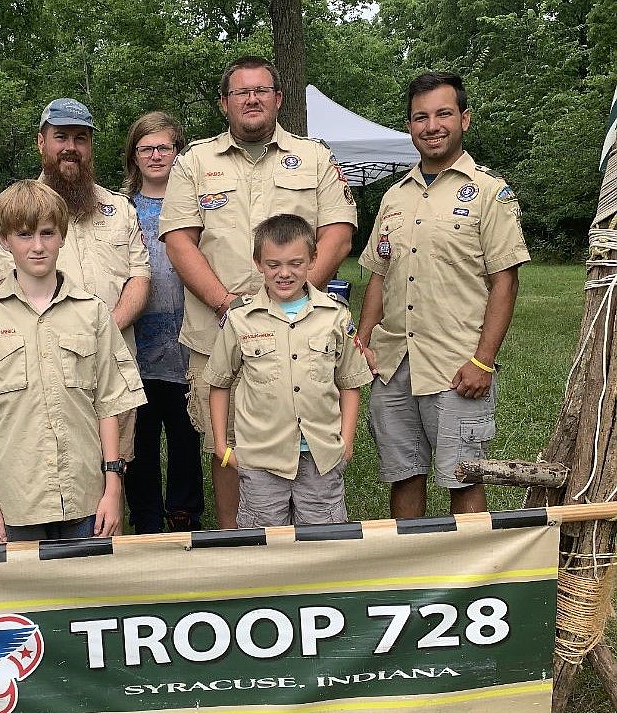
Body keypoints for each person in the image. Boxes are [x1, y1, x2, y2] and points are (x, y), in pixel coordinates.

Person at [159, 55, 358, 528]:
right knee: (225, 443)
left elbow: (339, 231)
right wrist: (227, 304)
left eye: (261, 90)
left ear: (278, 99)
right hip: (217, 330)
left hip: (302, 329)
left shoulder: (314, 158)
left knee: (305, 430)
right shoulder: (194, 163)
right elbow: (179, 240)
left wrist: (293, 295)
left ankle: (313, 542)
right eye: (241, 92)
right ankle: (238, 546)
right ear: (225, 103)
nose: (252, 99)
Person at [356, 72, 530, 519]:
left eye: (443, 114)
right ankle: (410, 579)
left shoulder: (490, 193)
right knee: (403, 475)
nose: (431, 125)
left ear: (464, 119)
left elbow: (505, 281)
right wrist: (363, 339)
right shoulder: (394, 196)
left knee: (463, 479)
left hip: (456, 365)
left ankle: (467, 587)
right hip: (393, 364)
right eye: (420, 117)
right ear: (410, 125)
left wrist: (482, 360)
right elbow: (378, 274)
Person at [0, 180, 147, 541]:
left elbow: (110, 404)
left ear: (63, 236)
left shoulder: (93, 313)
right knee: (26, 597)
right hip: (16, 503)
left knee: (87, 593)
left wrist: (113, 490)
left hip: (86, 498)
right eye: (24, 235)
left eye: (47, 233)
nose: (37, 246)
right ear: (5, 241)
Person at [0, 99, 150, 490]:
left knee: (113, 473)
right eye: (60, 136)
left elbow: (140, 277)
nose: (70, 147)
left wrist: (102, 328)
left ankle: (107, 549)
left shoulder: (118, 208)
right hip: (46, 373)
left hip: (111, 362)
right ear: (41, 142)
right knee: (52, 471)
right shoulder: (16, 213)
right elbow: (9, 294)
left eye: (80, 138)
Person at [204, 214, 371, 527]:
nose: (284, 273)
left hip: (320, 457)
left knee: (322, 545)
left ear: (312, 260)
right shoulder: (241, 318)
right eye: (273, 264)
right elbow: (218, 382)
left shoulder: (334, 316)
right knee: (263, 548)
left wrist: (346, 445)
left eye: (295, 263)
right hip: (261, 459)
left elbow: (350, 382)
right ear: (258, 263)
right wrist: (223, 449)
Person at [121, 111, 205, 533]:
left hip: (188, 339)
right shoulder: (119, 208)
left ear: (178, 152)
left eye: (164, 147)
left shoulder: (197, 203)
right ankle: (146, 518)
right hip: (134, 343)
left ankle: (185, 512)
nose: (155, 155)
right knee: (139, 436)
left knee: (188, 430)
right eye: (146, 148)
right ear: (134, 156)